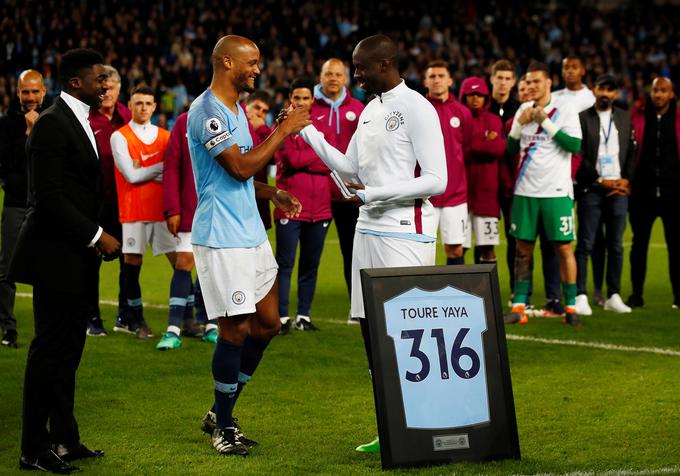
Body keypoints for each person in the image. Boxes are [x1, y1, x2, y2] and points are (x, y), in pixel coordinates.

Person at [300, 34, 447, 453]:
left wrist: (375, 194)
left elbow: (437, 179)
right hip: (368, 228)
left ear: (385, 64)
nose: (356, 74)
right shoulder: (368, 111)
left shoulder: (417, 108)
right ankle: (390, 425)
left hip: (405, 230)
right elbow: (349, 169)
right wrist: (307, 133)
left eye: (361, 67)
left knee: (407, 332)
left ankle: (423, 426)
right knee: (371, 332)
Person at [187, 35, 309, 456]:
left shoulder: (237, 107)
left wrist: (271, 192)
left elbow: (239, 174)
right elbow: (237, 167)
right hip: (222, 238)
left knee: (269, 324)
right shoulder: (207, 112)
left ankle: (220, 411)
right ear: (226, 62)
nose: (258, 69)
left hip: (251, 234)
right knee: (235, 330)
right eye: (252, 62)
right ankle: (223, 426)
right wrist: (282, 130)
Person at [11, 48, 120, 473]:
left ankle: (65, 438)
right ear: (76, 82)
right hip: (54, 256)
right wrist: (96, 234)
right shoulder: (53, 124)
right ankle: (33, 447)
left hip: (76, 257)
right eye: (99, 79)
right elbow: (48, 197)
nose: (106, 85)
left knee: (69, 349)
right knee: (49, 351)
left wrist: (95, 238)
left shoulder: (81, 121)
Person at [504, 62, 583, 327]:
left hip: (557, 192)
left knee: (563, 248)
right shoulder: (522, 109)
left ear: (549, 83)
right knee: (522, 249)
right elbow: (510, 149)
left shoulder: (566, 110)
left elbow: (574, 145)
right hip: (525, 191)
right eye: (528, 81)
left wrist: (544, 122)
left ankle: (571, 308)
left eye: (537, 81)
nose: (531, 86)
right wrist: (518, 126)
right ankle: (519, 306)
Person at [110, 84, 174, 340]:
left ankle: (189, 318)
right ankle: (135, 320)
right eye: (138, 103)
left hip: (163, 211)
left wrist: (149, 171)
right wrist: (160, 168)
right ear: (131, 105)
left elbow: (167, 174)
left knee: (181, 262)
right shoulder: (120, 136)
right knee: (132, 265)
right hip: (134, 209)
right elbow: (131, 175)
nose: (143, 108)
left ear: (155, 106)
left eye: (148, 103)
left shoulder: (166, 136)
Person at [574, 73, 635, 315]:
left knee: (616, 244)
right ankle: (580, 294)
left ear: (616, 93)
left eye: (610, 89)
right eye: (602, 88)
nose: (605, 93)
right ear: (593, 89)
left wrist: (624, 180)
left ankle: (614, 295)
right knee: (586, 243)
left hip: (618, 191)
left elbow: (631, 152)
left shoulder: (623, 117)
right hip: (592, 188)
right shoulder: (582, 118)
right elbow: (580, 156)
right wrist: (601, 180)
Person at [275, 78, 332, 335]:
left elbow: (330, 161)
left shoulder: (322, 126)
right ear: (290, 99)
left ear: (312, 100)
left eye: (305, 98)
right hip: (289, 207)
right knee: (285, 264)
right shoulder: (282, 127)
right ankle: (282, 317)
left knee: (311, 265)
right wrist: (316, 156)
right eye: (296, 98)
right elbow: (291, 159)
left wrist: (309, 159)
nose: (300, 102)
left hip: (319, 208)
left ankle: (303, 316)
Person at [311, 58, 364, 316]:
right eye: (328, 73)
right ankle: (299, 314)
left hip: (349, 196)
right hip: (318, 192)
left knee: (352, 253)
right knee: (310, 257)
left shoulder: (359, 108)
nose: (333, 78)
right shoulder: (308, 108)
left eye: (338, 74)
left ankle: (356, 308)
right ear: (320, 77)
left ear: (346, 78)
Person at [0, 70, 46, 348]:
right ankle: (8, 328)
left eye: (35, 91)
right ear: (17, 93)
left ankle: (46, 327)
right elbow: (6, 164)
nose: (30, 97)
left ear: (43, 91)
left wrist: (39, 128)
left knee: (47, 267)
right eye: (25, 92)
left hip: (46, 206)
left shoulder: (52, 120)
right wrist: (29, 132)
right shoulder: (6, 125)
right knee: (7, 268)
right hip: (16, 203)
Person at [160, 110, 212, 349]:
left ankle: (211, 324)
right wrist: (172, 208)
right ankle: (173, 329)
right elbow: (171, 166)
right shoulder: (184, 121)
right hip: (191, 208)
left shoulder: (234, 117)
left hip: (221, 210)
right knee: (184, 262)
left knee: (213, 267)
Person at [628, 77, 680, 309]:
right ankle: (636, 294)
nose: (658, 94)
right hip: (642, 192)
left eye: (663, 91)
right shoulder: (638, 115)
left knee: (676, 248)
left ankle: (678, 297)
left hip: (674, 194)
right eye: (655, 90)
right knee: (639, 245)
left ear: (671, 94)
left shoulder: (678, 118)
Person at [88, 65, 131, 336]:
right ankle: (91, 317)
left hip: (125, 203)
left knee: (129, 262)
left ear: (118, 89)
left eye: (111, 87)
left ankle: (125, 316)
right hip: (94, 204)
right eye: (101, 87)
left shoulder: (128, 116)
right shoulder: (87, 119)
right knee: (90, 263)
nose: (106, 92)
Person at [423, 60, 470, 266]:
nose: (437, 80)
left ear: (450, 80)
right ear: (425, 81)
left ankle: (454, 296)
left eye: (441, 76)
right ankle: (423, 298)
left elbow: (467, 149)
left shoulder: (462, 112)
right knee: (423, 250)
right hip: (425, 196)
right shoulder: (419, 110)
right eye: (432, 76)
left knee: (455, 248)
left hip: (455, 195)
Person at [459, 77, 506, 264]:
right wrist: (484, 143)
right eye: (471, 94)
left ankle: (488, 292)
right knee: (458, 247)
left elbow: (498, 149)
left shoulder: (494, 120)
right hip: (460, 195)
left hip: (486, 195)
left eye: (480, 94)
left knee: (488, 247)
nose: (476, 98)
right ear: (464, 96)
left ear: (486, 97)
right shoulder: (459, 118)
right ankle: (458, 292)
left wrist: (471, 146)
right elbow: (457, 151)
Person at [489, 59, 520, 124]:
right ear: (492, 79)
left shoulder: (519, 109)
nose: (503, 83)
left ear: (513, 82)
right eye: (499, 78)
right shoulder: (483, 107)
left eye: (507, 79)